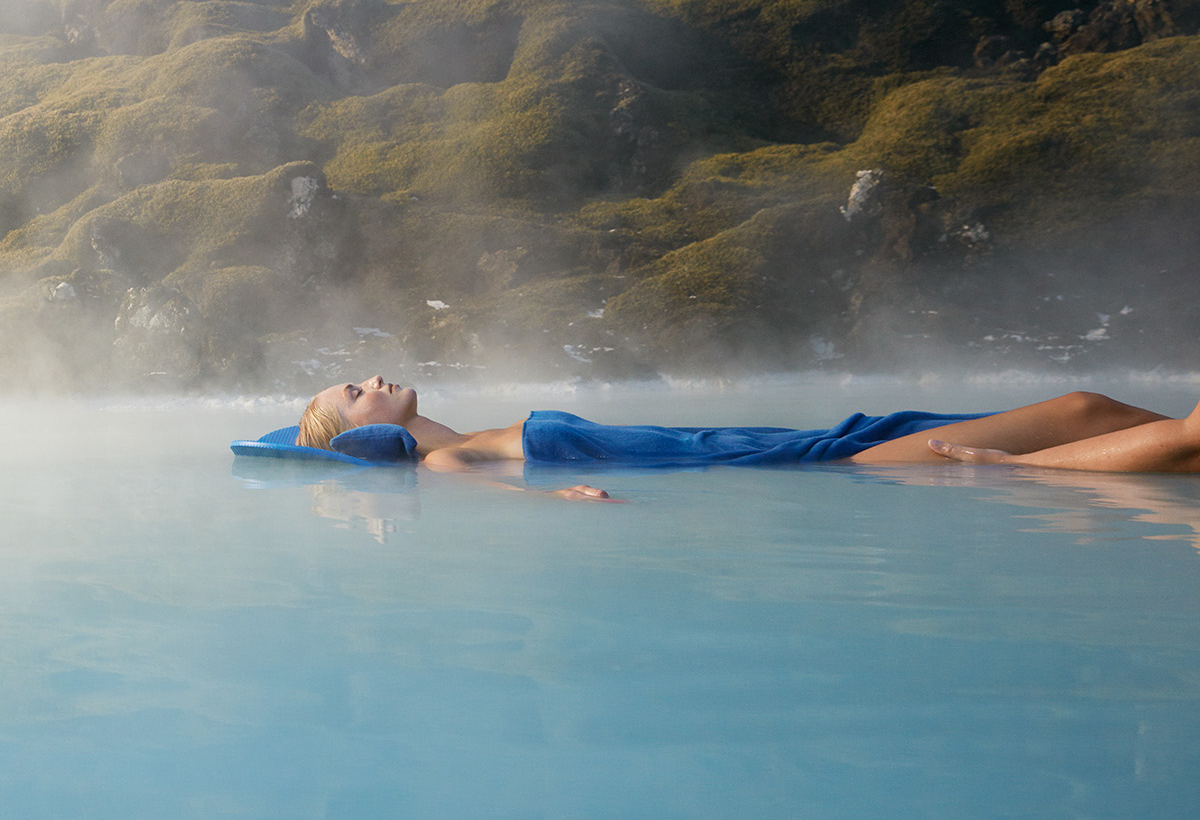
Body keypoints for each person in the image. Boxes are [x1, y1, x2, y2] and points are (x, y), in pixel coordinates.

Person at [298, 377, 1200, 473]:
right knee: (1078, 412)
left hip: (753, 443)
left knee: (1091, 411)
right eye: (352, 388)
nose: (372, 379)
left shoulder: (472, 435)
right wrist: (563, 498)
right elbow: (484, 499)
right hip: (782, 464)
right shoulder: (443, 457)